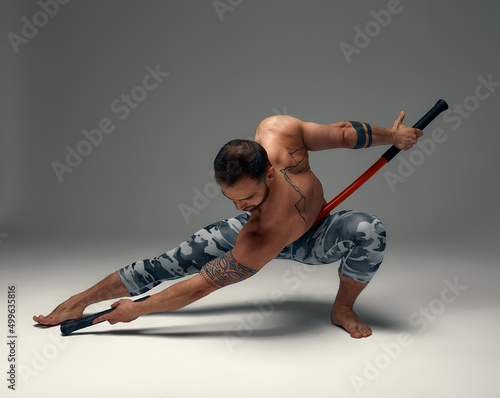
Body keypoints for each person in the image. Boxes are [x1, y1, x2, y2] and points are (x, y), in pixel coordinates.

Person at [34, 112, 422, 338]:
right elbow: (205, 283)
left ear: (270, 172)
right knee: (167, 263)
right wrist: (140, 310)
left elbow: (342, 134)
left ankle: (342, 309)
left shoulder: (281, 132)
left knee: (369, 230)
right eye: (231, 199)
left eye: (247, 198)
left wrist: (395, 136)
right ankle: (78, 301)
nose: (240, 206)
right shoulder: (255, 230)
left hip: (314, 236)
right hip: (267, 236)